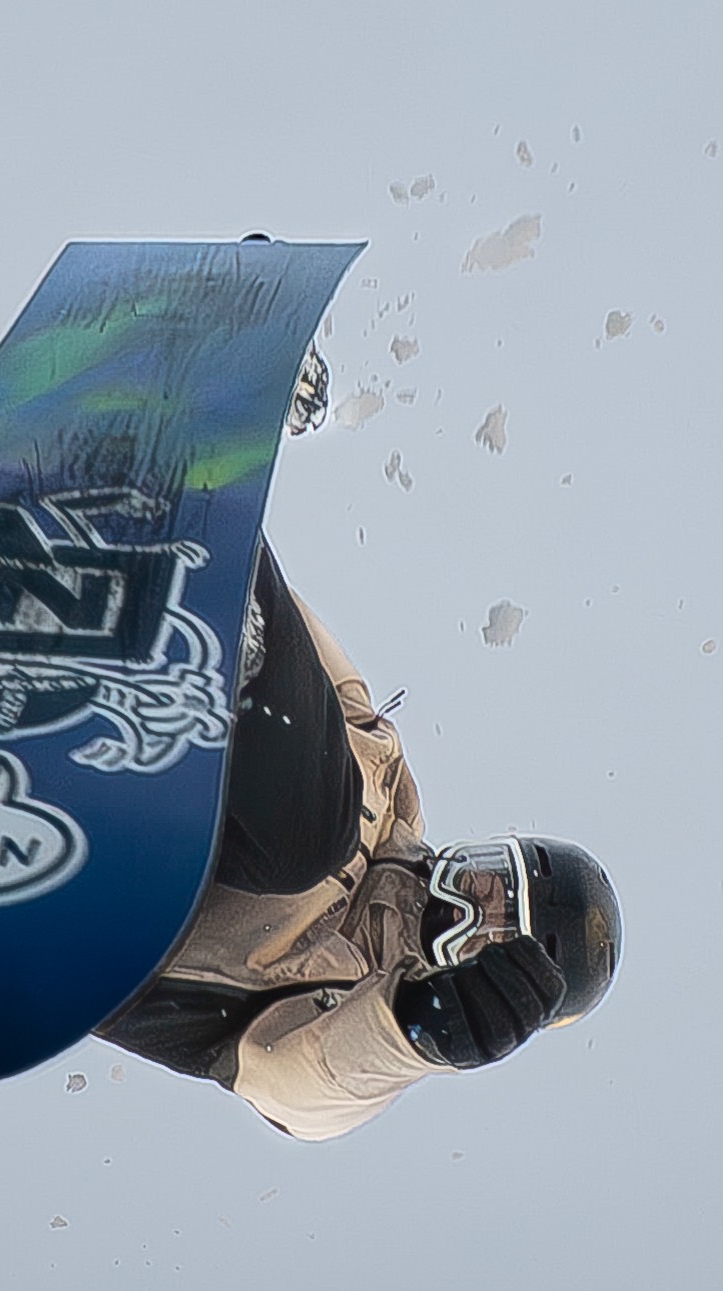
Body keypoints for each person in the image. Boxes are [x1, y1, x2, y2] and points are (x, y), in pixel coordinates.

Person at [93, 348, 622, 1141]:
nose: (467, 900)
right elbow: (304, 652)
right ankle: (185, 480)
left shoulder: (344, 1002)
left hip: (113, 903)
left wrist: (423, 1028)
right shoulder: (379, 776)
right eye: (490, 882)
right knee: (327, 787)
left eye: (483, 930)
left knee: (310, 842)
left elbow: (313, 1086)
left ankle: (192, 515)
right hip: (143, 737)